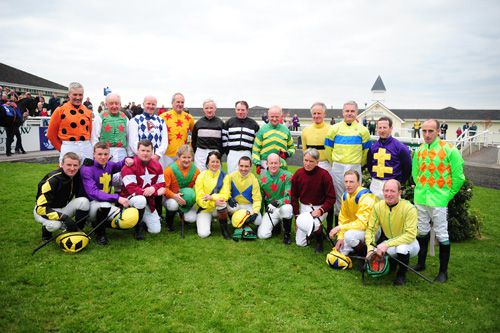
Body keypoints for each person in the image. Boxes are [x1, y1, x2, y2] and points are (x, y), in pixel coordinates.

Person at [412, 119, 465, 283]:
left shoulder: (450, 150)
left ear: (438, 132)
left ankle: (443, 272)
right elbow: (415, 173)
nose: (427, 135)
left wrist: (446, 196)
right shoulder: (420, 150)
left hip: (439, 199)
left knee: (442, 233)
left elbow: (458, 177)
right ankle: (421, 263)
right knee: (422, 230)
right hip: (421, 197)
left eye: (430, 131)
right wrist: (420, 188)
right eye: (424, 131)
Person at [365, 179, 420, 285]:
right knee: (380, 251)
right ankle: (392, 265)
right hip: (391, 242)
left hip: (410, 244)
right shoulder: (378, 206)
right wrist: (370, 249)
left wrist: (386, 244)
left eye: (392, 191)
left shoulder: (409, 208)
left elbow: (410, 235)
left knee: (401, 248)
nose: (388, 194)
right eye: (386, 191)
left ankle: (401, 274)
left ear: (399, 193)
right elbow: (371, 229)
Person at [80, 142, 134, 245]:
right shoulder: (87, 169)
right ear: (93, 154)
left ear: (109, 154)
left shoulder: (109, 165)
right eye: (99, 154)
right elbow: (93, 192)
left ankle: (100, 223)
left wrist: (126, 159)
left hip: (106, 201)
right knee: (104, 205)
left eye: (105, 154)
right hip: (90, 204)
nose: (103, 157)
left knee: (124, 220)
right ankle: (100, 234)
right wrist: (117, 198)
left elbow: (118, 165)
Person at [324, 101, 371, 215]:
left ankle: (354, 221)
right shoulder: (334, 128)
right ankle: (340, 222)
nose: (349, 113)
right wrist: (333, 162)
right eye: (347, 111)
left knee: (354, 194)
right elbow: (328, 148)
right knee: (339, 194)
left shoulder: (363, 130)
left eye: (352, 111)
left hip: (354, 166)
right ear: (343, 112)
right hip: (338, 166)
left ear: (356, 112)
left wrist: (360, 163)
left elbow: (366, 151)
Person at [34, 152, 90, 241]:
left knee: (84, 201)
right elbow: (41, 208)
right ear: (61, 164)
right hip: (44, 210)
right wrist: (64, 218)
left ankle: (77, 230)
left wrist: (92, 163)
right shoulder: (52, 180)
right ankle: (46, 232)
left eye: (75, 165)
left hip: (63, 207)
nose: (72, 168)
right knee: (56, 225)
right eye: (68, 165)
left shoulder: (76, 175)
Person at [120, 140, 166, 240]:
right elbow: (132, 189)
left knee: (155, 230)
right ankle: (138, 227)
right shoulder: (129, 165)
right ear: (137, 150)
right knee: (141, 199)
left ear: (152, 152)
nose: (145, 153)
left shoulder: (157, 165)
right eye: (143, 150)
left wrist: (153, 188)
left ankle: (142, 218)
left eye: (148, 151)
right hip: (129, 199)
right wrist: (154, 192)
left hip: (149, 201)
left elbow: (162, 183)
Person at [292, 148, 335, 252]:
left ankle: (319, 241)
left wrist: (321, 210)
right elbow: (293, 196)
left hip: (319, 207)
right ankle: (311, 233)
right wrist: (297, 216)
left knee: (315, 223)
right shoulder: (298, 174)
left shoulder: (324, 175)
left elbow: (331, 198)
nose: (307, 163)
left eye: (311, 161)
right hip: (304, 207)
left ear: (317, 162)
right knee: (300, 243)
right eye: (305, 160)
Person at [301, 102, 335, 232]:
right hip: (311, 163)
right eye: (314, 113)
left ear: (324, 114)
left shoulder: (330, 130)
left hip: (325, 164)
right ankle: (313, 224)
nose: (316, 115)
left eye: (319, 113)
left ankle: (330, 227)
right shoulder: (306, 131)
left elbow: (331, 149)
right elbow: (305, 149)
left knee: (328, 194)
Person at [328, 170, 376, 256]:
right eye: (346, 181)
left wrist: (340, 228)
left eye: (351, 182)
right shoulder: (345, 195)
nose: (348, 185)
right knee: (338, 253)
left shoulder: (366, 196)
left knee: (349, 236)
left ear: (359, 183)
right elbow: (343, 218)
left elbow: (363, 224)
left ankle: (364, 253)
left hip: (371, 231)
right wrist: (340, 237)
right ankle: (354, 248)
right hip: (353, 229)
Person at [91, 93, 129, 191]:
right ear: (106, 104)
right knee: (105, 179)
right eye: (111, 103)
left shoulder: (125, 117)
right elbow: (95, 137)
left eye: (117, 103)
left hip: (121, 152)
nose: (114, 106)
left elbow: (129, 137)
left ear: (120, 104)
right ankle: (104, 201)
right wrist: (97, 155)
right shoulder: (100, 117)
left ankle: (118, 203)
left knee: (121, 179)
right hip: (105, 153)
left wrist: (129, 154)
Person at [366, 117, 412, 199]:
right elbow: (370, 165)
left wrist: (398, 182)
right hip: (375, 184)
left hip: (392, 185)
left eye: (385, 127)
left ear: (391, 128)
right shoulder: (373, 147)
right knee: (375, 210)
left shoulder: (400, 147)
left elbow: (407, 168)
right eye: (380, 128)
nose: (382, 130)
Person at [47, 82, 93, 163]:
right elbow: (51, 134)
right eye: (75, 95)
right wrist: (62, 148)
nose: (78, 97)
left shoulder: (87, 111)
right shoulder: (60, 110)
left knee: (87, 174)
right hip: (69, 147)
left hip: (86, 148)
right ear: (69, 95)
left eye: (80, 95)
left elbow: (90, 132)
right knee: (69, 173)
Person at [162, 145, 200, 232]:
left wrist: (191, 197)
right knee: (173, 204)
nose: (187, 160)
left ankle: (182, 215)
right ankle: (169, 221)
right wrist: (174, 196)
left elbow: (198, 187)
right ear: (178, 157)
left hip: (186, 200)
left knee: (191, 218)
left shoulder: (196, 171)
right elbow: (164, 188)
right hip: (170, 198)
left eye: (189, 157)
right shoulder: (169, 170)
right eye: (184, 157)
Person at [194, 151, 231, 239]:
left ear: (220, 163)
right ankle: (207, 221)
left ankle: (225, 231)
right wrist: (213, 203)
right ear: (207, 163)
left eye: (217, 161)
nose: (215, 164)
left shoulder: (225, 176)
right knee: (203, 234)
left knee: (222, 203)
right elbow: (199, 199)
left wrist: (212, 197)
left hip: (218, 207)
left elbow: (226, 195)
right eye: (212, 161)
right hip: (205, 208)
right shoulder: (201, 176)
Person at [258, 153, 293, 243]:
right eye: (271, 163)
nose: (273, 165)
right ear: (267, 163)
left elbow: (288, 198)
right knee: (262, 235)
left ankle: (287, 234)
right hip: (271, 210)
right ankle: (276, 225)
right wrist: (260, 216)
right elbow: (261, 200)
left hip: (282, 207)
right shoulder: (262, 179)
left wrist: (276, 203)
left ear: (280, 163)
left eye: (276, 163)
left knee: (287, 208)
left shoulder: (288, 176)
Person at [127, 95, 169, 168]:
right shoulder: (135, 120)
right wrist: (144, 155)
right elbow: (133, 141)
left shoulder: (161, 121)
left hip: (157, 159)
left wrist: (158, 155)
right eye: (148, 104)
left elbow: (164, 141)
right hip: (140, 159)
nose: (151, 106)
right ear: (143, 104)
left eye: (153, 104)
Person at [252, 105, 295, 173]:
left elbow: (292, 148)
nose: (274, 119)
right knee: (266, 184)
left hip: (281, 165)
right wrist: (257, 163)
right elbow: (255, 149)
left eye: (277, 117)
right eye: (272, 116)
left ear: (281, 116)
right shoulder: (262, 129)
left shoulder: (286, 130)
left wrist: (287, 154)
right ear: (268, 117)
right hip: (265, 164)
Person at [223, 100, 260, 173]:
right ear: (235, 110)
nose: (240, 112)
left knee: (245, 175)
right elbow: (224, 140)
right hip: (232, 153)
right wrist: (229, 152)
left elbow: (257, 142)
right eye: (238, 110)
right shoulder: (229, 122)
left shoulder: (253, 124)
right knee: (232, 175)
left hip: (247, 153)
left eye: (243, 110)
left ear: (247, 110)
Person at [226, 156, 262, 228]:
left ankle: (243, 223)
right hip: (235, 205)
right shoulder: (231, 176)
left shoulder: (253, 179)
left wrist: (255, 213)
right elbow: (224, 190)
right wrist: (229, 198)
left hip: (248, 205)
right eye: (241, 166)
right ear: (238, 166)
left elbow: (257, 199)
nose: (243, 169)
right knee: (230, 207)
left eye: (246, 166)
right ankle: (232, 218)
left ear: (250, 167)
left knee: (258, 220)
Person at [160, 92, 195, 166]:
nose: (180, 104)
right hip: (167, 155)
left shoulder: (189, 118)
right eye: (178, 102)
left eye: (182, 102)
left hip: (182, 156)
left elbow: (195, 135)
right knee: (166, 176)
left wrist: (190, 148)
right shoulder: (163, 117)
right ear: (172, 103)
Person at [191, 99, 224, 172]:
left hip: (215, 152)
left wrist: (218, 153)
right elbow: (194, 141)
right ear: (203, 109)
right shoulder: (198, 124)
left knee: (215, 176)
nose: (209, 110)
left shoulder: (221, 124)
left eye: (211, 108)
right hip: (201, 153)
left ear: (215, 108)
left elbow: (224, 142)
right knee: (200, 175)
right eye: (206, 108)